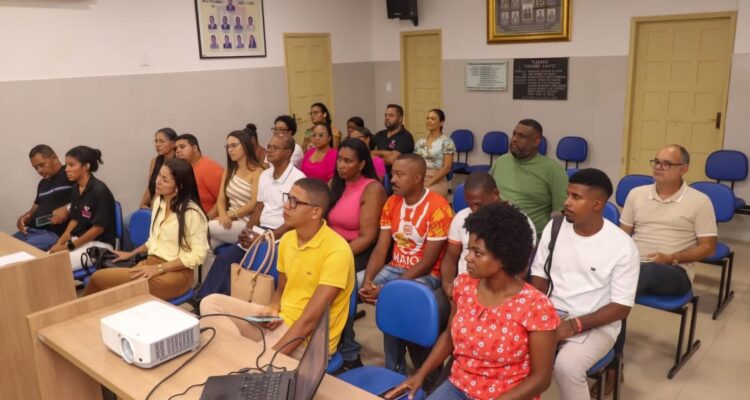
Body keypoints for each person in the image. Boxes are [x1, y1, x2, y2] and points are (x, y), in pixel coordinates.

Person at [386, 203, 558, 400]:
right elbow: (449, 337)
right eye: (469, 249)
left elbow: (541, 378)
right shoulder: (464, 285)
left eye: (478, 253)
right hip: (459, 385)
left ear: (503, 257)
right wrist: (420, 374)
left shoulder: (536, 306)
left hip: (507, 395)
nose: (467, 258)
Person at [200, 178, 355, 358]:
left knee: (252, 357)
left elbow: (309, 321)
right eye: (288, 198)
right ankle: (241, 352)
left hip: (308, 340)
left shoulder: (337, 251)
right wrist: (273, 308)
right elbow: (281, 290)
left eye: (294, 202)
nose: (286, 206)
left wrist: (270, 357)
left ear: (315, 212)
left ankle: (241, 353)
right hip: (280, 320)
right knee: (211, 303)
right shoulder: (288, 239)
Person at [530, 169, 639, 400]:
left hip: (596, 323)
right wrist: (536, 314)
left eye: (576, 197)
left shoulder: (622, 245)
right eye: (568, 194)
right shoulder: (555, 227)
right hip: (551, 314)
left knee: (567, 367)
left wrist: (573, 325)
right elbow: (539, 277)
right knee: (506, 346)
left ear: (597, 204)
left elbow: (621, 307)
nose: (566, 202)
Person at [360, 153, 454, 374]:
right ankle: (346, 351)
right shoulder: (391, 202)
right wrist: (368, 281)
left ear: (417, 178)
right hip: (395, 267)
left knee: (396, 301)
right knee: (349, 285)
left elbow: (428, 262)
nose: (392, 179)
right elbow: (381, 248)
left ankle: (394, 368)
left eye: (399, 175)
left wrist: (388, 289)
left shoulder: (438, 207)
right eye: (393, 173)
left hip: (428, 274)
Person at [196, 134, 306, 299]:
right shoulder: (266, 175)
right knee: (226, 258)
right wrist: (247, 232)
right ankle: (204, 300)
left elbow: (295, 221)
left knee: (251, 263)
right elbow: (259, 208)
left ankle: (236, 302)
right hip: (260, 230)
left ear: (288, 153)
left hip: (282, 235)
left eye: (275, 148)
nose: (269, 150)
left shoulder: (298, 179)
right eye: (269, 146)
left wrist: (264, 237)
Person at [84, 159, 209, 300]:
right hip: (151, 263)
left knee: (99, 279)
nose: (158, 181)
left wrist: (159, 268)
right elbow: (153, 241)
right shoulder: (159, 202)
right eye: (159, 175)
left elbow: (198, 255)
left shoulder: (192, 213)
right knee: (109, 289)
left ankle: (78, 313)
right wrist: (130, 254)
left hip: (177, 274)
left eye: (165, 180)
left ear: (178, 186)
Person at [328, 138, 387, 370]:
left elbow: (367, 237)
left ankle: (349, 351)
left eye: (348, 161)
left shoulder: (371, 189)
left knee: (332, 285)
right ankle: (330, 343)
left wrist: (335, 254)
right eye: (339, 160)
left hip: (359, 250)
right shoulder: (335, 184)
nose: (341, 165)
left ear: (362, 164)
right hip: (334, 248)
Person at [440, 172, 536, 301]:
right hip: (462, 288)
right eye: (470, 205)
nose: (474, 211)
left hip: (498, 292)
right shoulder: (461, 217)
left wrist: (486, 294)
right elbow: (450, 258)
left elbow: (520, 271)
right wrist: (448, 284)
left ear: (495, 194)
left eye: (478, 204)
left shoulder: (517, 223)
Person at [489, 119, 568, 237]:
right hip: (495, 230)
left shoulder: (554, 171)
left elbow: (560, 214)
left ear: (536, 142)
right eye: (514, 134)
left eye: (522, 136)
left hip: (530, 236)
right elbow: (486, 193)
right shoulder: (501, 161)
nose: (514, 139)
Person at [49, 146, 116, 272]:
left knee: (55, 266)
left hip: (99, 244)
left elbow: (98, 229)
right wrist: (60, 242)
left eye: (71, 165)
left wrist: (69, 247)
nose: (66, 169)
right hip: (79, 239)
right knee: (45, 259)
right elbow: (74, 220)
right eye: (66, 165)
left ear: (86, 166)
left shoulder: (99, 191)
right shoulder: (76, 188)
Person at [208, 130, 264, 246]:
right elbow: (221, 198)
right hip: (227, 220)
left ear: (245, 146)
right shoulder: (229, 170)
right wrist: (223, 214)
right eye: (228, 146)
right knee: (206, 245)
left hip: (246, 223)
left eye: (234, 146)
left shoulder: (257, 172)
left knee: (202, 228)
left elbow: (253, 204)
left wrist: (230, 215)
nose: (229, 150)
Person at [13, 145, 74, 251]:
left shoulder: (70, 174)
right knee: (4, 244)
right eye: (35, 168)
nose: (39, 170)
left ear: (54, 158)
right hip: (31, 231)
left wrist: (68, 208)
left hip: (53, 234)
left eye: (42, 165)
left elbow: (90, 198)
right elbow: (33, 210)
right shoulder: (42, 184)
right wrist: (24, 217)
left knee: (17, 251)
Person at [174, 134, 223, 219]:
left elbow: (223, 199)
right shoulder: (182, 168)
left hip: (206, 221)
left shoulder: (210, 168)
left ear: (195, 148)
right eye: (176, 149)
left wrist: (206, 220)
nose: (178, 151)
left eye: (182, 147)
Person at [414, 109, 455, 198]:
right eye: (427, 118)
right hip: (420, 177)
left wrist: (428, 183)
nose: (429, 121)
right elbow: (415, 163)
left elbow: (447, 168)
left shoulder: (447, 142)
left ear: (441, 123)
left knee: (426, 195)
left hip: (437, 179)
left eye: (433, 119)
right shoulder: (420, 142)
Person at [139, 127, 177, 209]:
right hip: (153, 205)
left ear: (173, 143)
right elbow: (151, 186)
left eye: (162, 141)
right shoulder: (155, 161)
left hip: (170, 207)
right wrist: (142, 204)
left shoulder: (179, 163)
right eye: (156, 141)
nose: (157, 145)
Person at [372, 104, 414, 174]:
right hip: (377, 174)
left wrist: (375, 154)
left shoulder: (406, 136)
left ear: (400, 119)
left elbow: (392, 160)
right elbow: (367, 153)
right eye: (385, 115)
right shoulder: (379, 134)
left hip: (396, 176)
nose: (387, 118)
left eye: (391, 115)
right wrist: (389, 153)